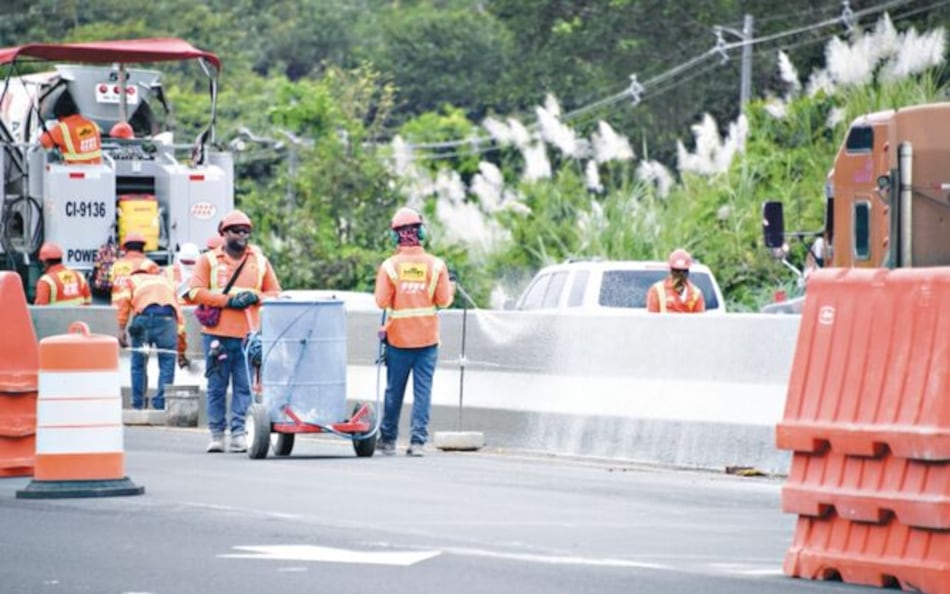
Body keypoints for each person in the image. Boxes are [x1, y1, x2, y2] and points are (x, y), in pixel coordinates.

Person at [189, 210, 281, 453]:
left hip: (247, 337)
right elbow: (195, 292)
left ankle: (239, 433)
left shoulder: (259, 261)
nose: (242, 235)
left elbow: (275, 293)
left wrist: (256, 297)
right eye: (236, 231)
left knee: (244, 387)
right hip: (216, 335)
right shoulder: (208, 260)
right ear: (224, 233)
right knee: (216, 387)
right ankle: (217, 435)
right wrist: (228, 301)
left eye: (246, 231)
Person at [374, 206, 454, 457]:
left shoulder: (390, 266)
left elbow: (381, 301)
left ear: (395, 235)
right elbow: (444, 301)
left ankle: (388, 440)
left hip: (398, 340)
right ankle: (417, 442)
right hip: (428, 340)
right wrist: (449, 286)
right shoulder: (437, 266)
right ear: (421, 233)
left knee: (393, 391)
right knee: (423, 392)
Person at [115, 259, 188, 411]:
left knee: (139, 365)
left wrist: (121, 329)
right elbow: (180, 319)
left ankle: (139, 404)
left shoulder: (132, 279)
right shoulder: (166, 283)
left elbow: (124, 303)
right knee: (167, 364)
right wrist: (181, 351)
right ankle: (161, 406)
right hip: (167, 321)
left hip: (143, 321)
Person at [39, 94, 102, 165]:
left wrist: (49, 130)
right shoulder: (92, 124)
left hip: (74, 168)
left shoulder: (62, 129)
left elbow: (43, 142)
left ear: (59, 114)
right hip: (96, 168)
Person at [646, 248, 706, 314]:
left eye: (684, 271)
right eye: (677, 271)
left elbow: (700, 319)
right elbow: (652, 318)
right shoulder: (657, 290)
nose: (680, 274)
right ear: (671, 271)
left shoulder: (695, 294)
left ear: (688, 271)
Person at [110, 232, 154, 305]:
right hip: (140, 307)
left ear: (125, 248)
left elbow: (111, 283)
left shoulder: (117, 264)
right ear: (143, 247)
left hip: (118, 307)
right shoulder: (150, 265)